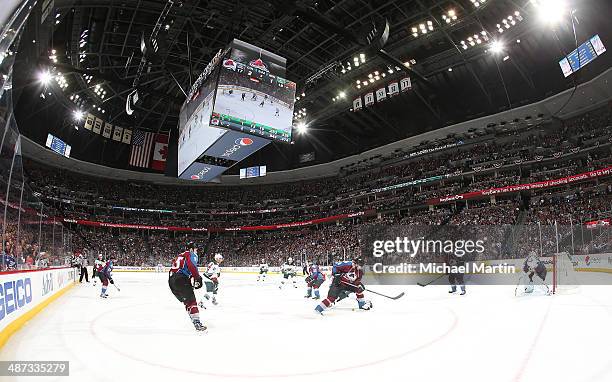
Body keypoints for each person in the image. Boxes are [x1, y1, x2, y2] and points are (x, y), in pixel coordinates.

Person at [168, 242, 206, 331]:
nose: (197, 251)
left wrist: (192, 278)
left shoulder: (180, 255)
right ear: (192, 249)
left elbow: (180, 268)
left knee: (187, 302)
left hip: (171, 280)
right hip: (181, 279)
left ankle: (195, 321)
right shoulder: (191, 254)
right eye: (196, 249)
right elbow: (191, 266)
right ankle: (197, 323)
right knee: (192, 302)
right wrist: (198, 277)